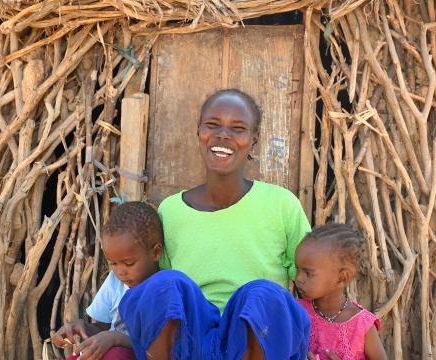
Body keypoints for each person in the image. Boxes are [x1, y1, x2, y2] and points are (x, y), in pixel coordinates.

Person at [118, 89, 311, 359]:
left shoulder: (282, 205)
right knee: (167, 282)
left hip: (254, 344)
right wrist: (103, 327)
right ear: (199, 130)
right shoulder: (171, 211)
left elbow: (312, 279)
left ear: (254, 140)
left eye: (238, 128)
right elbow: (150, 287)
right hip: (191, 343)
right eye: (213, 124)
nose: (223, 135)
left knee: (263, 293)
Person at [51, 201, 163, 360]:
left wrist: (115, 339)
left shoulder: (164, 290)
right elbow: (102, 329)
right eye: (113, 264)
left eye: (129, 263)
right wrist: (83, 328)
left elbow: (160, 349)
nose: (120, 272)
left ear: (155, 252)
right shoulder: (115, 282)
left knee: (117, 354)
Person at [295, 223, 387, 360]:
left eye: (308, 273)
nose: (298, 279)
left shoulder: (361, 325)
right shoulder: (297, 311)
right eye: (298, 269)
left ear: (342, 278)